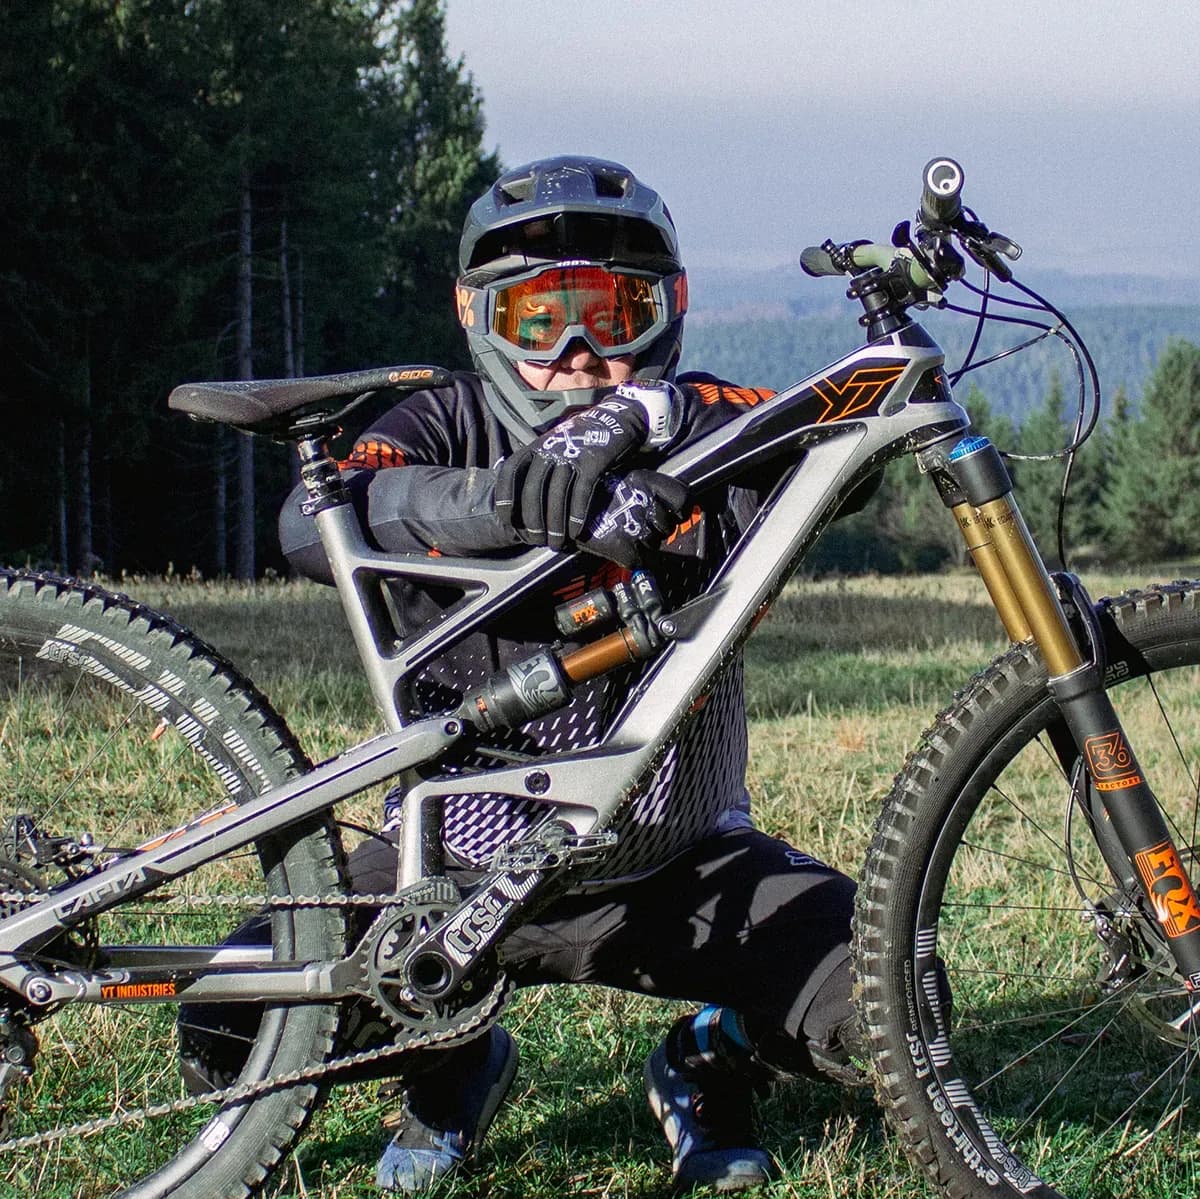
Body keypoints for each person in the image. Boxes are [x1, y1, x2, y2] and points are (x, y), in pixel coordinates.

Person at [188, 156, 863, 1193]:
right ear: (478, 315)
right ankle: (451, 1066)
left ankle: (709, 1057)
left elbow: (840, 435)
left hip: (684, 865)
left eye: (615, 310)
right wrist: (504, 504)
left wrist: (652, 423)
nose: (582, 351)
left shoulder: (703, 416)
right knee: (228, 1018)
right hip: (450, 876)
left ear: (669, 310)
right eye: (542, 317)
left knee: (900, 999)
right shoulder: (441, 416)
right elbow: (315, 519)